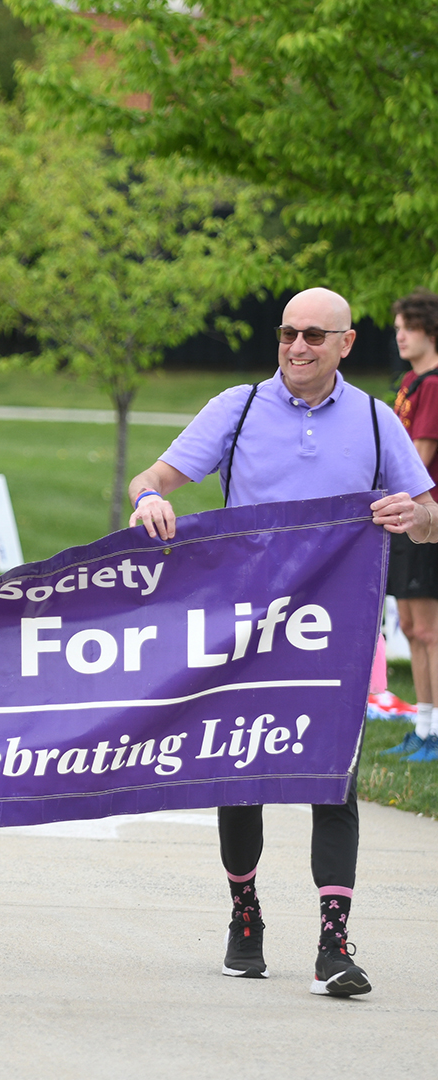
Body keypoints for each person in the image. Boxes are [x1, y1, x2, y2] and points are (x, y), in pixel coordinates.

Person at [127, 287, 437, 998]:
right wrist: (150, 500)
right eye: (289, 333)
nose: (298, 347)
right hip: (248, 627)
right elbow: (156, 477)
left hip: (334, 629)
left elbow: (430, 518)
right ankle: (245, 911)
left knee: (336, 779)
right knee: (244, 777)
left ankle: (334, 942)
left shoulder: (372, 418)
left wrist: (410, 514)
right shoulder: (236, 408)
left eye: (315, 337)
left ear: (347, 344)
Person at [381, 289, 438, 763]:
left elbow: (416, 460)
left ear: (430, 329)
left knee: (428, 630)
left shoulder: (435, 384)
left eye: (408, 326)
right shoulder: (409, 382)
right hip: (401, 519)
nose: (400, 334)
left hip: (426, 518)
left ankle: (435, 732)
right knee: (408, 624)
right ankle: (421, 725)